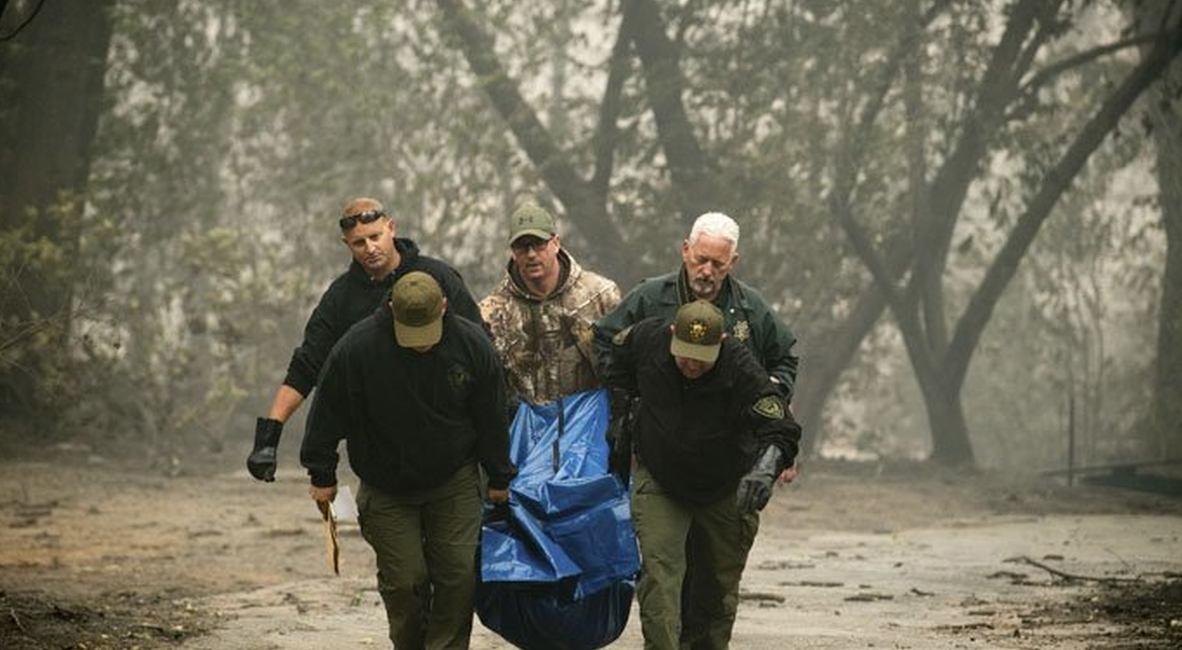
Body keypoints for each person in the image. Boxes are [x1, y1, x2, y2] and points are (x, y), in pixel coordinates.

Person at [593, 211, 799, 649]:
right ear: (686, 250)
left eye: (718, 265)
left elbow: (782, 417)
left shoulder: (744, 347)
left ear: (732, 263)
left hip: (726, 467)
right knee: (661, 576)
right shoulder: (650, 318)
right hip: (662, 467)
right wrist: (623, 414)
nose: (706, 271)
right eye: (700, 260)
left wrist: (767, 463)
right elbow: (611, 348)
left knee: (715, 587)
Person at [300, 271, 515, 650]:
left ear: (444, 307)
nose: (420, 346)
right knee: (405, 582)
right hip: (386, 484)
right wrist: (322, 472)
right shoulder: (358, 348)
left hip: (453, 478)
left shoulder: (472, 345)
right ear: (390, 309)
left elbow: (491, 417)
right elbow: (327, 410)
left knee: (457, 576)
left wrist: (499, 477)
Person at [246, 197, 485, 482]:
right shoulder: (340, 299)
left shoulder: (437, 277)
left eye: (375, 237)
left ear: (391, 228)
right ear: (346, 244)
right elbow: (307, 365)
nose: (370, 248)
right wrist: (269, 437)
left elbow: (480, 349)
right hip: (380, 451)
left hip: (448, 440)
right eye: (359, 243)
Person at [478, 201, 622, 408]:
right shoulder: (491, 314)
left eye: (538, 244)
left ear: (555, 243)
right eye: (522, 246)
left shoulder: (600, 295)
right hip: (525, 431)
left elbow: (623, 366)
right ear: (512, 251)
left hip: (592, 427)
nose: (531, 254)